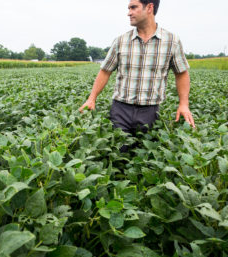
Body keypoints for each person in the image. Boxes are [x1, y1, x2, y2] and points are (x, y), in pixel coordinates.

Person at [79, 0, 195, 152]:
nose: (129, 12)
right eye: (128, 8)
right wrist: (91, 98)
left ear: (149, 7)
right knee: (119, 155)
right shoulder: (121, 41)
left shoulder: (171, 41)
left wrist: (184, 104)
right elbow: (105, 71)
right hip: (120, 110)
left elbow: (181, 73)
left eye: (133, 7)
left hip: (151, 112)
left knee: (146, 157)